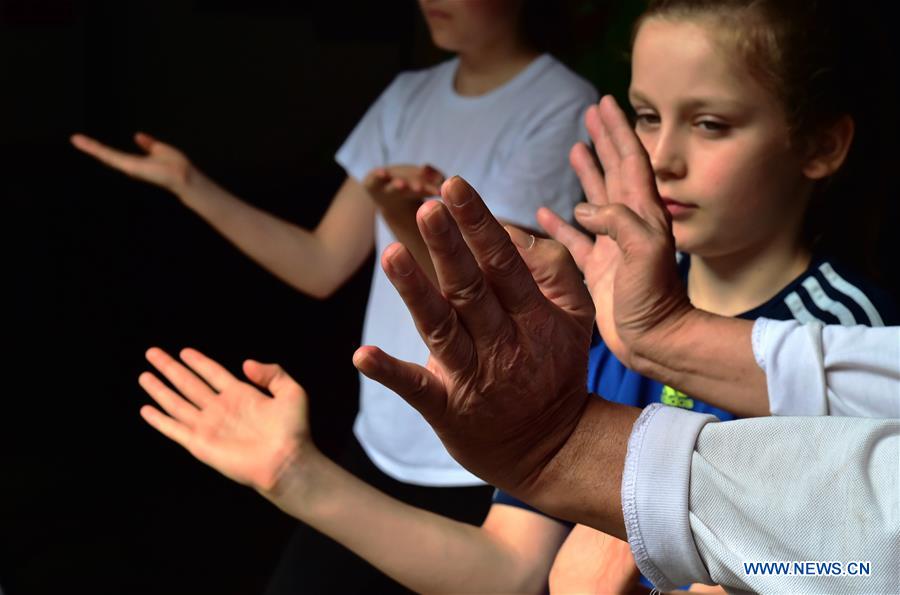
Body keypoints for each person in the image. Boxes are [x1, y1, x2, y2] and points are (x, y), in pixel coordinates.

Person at [73, 1, 597, 591]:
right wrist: (191, 186)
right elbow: (320, 262)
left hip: (482, 464)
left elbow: (498, 302)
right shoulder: (407, 96)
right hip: (379, 438)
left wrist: (404, 217)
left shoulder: (560, 102)